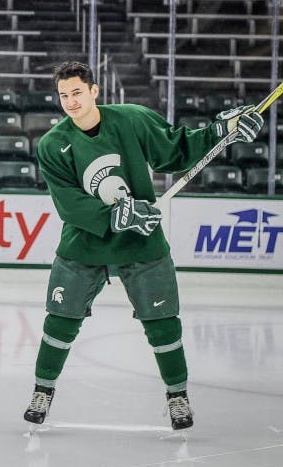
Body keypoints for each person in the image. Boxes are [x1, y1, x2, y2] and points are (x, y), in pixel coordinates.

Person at [24, 61, 264, 430]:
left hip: (141, 240)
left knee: (163, 323)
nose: (70, 102)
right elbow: (68, 203)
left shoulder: (132, 120)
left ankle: (177, 396)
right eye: (63, 95)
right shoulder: (53, 144)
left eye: (76, 92)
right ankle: (43, 390)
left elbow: (177, 149)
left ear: (94, 91)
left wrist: (223, 129)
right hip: (84, 243)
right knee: (60, 320)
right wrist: (116, 216)